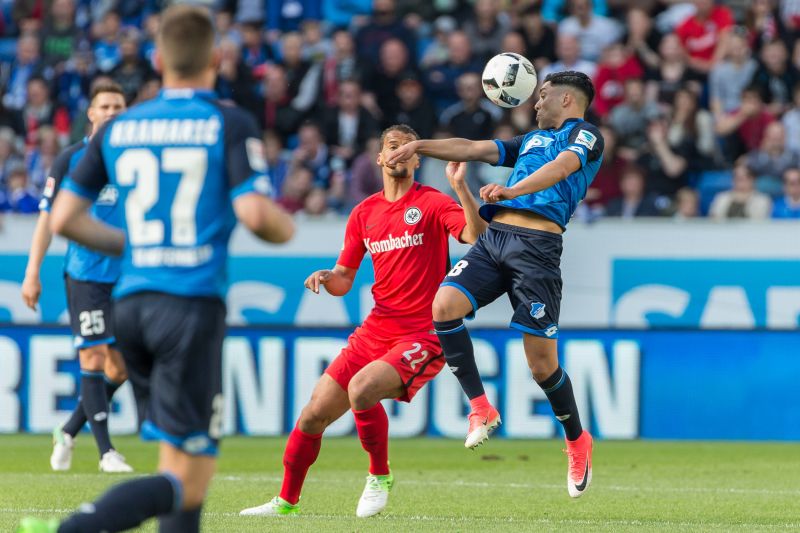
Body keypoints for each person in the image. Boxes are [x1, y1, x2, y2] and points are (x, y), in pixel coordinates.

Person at [20, 6, 295, 533]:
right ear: (216, 58)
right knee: (189, 479)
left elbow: (65, 218)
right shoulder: (227, 121)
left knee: (178, 468)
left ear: (158, 60)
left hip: (132, 303)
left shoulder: (120, 128)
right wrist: (285, 227)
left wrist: (138, 245)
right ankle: (71, 529)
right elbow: (258, 216)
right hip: (189, 307)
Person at [239, 124, 486, 519]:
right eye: (393, 146)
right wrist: (327, 277)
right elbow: (344, 279)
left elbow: (475, 234)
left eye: (408, 148)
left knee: (362, 389)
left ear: (417, 160)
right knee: (313, 414)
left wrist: (460, 187)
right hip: (376, 329)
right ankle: (285, 502)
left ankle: (379, 476)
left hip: (423, 332)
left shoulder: (433, 203)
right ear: (380, 157)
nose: (400, 152)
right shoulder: (364, 213)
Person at [386, 71, 601, 498]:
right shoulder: (530, 141)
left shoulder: (586, 136)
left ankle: (577, 439)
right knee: (443, 306)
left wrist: (512, 190)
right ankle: (480, 408)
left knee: (542, 367)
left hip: (537, 250)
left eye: (542, 95)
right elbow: (471, 148)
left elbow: (562, 168)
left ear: (566, 100)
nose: (535, 103)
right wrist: (419, 146)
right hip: (495, 239)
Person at [20, 81, 133, 474]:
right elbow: (47, 219)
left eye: (119, 106)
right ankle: (106, 453)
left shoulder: (135, 158)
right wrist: (32, 272)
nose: (112, 112)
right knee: (94, 355)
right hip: (87, 276)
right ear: (91, 112)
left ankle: (67, 431)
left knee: (121, 369)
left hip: (127, 277)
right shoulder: (72, 160)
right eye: (106, 106)